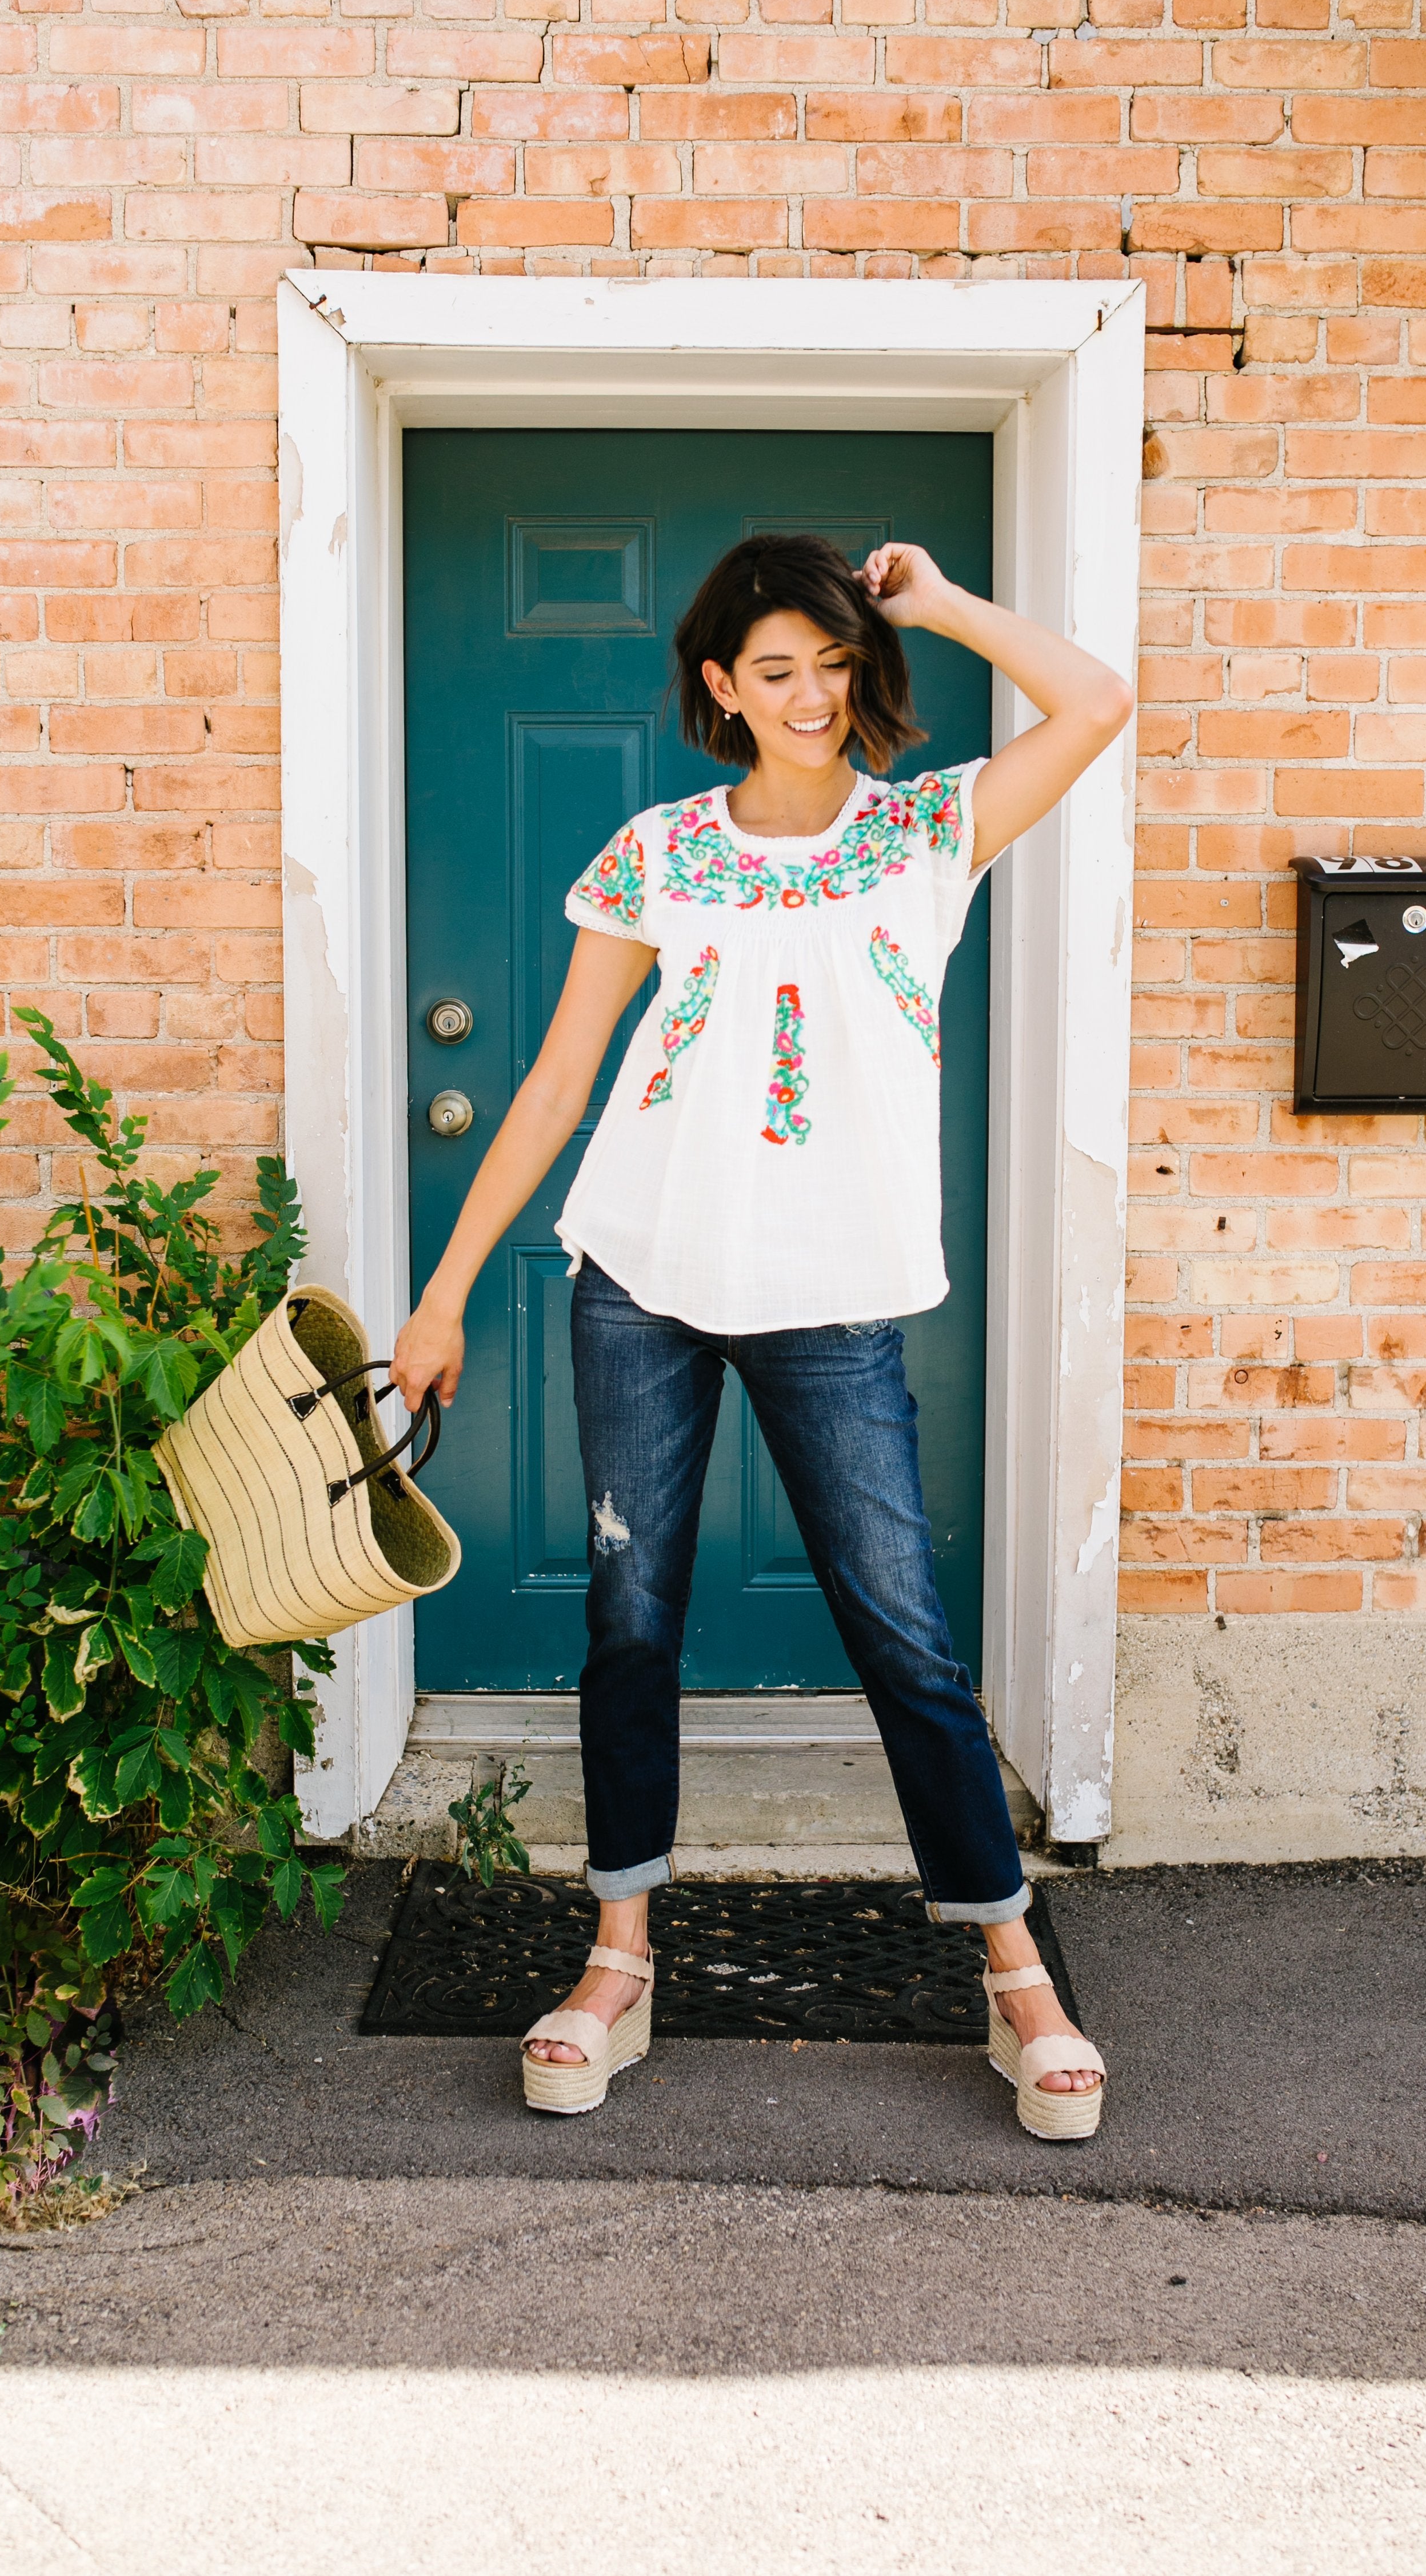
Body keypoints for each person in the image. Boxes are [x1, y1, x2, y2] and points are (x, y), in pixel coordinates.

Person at [392, 534, 1133, 2139]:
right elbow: (558, 1081)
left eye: (835, 663)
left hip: (833, 1294)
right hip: (642, 1278)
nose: (810, 696)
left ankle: (1014, 1975)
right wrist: (443, 1292)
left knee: (902, 1635)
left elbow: (1096, 701)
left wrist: (936, 604)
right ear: (722, 687)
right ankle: (619, 1959)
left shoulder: (927, 832)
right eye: (776, 670)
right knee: (630, 1621)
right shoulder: (658, 853)